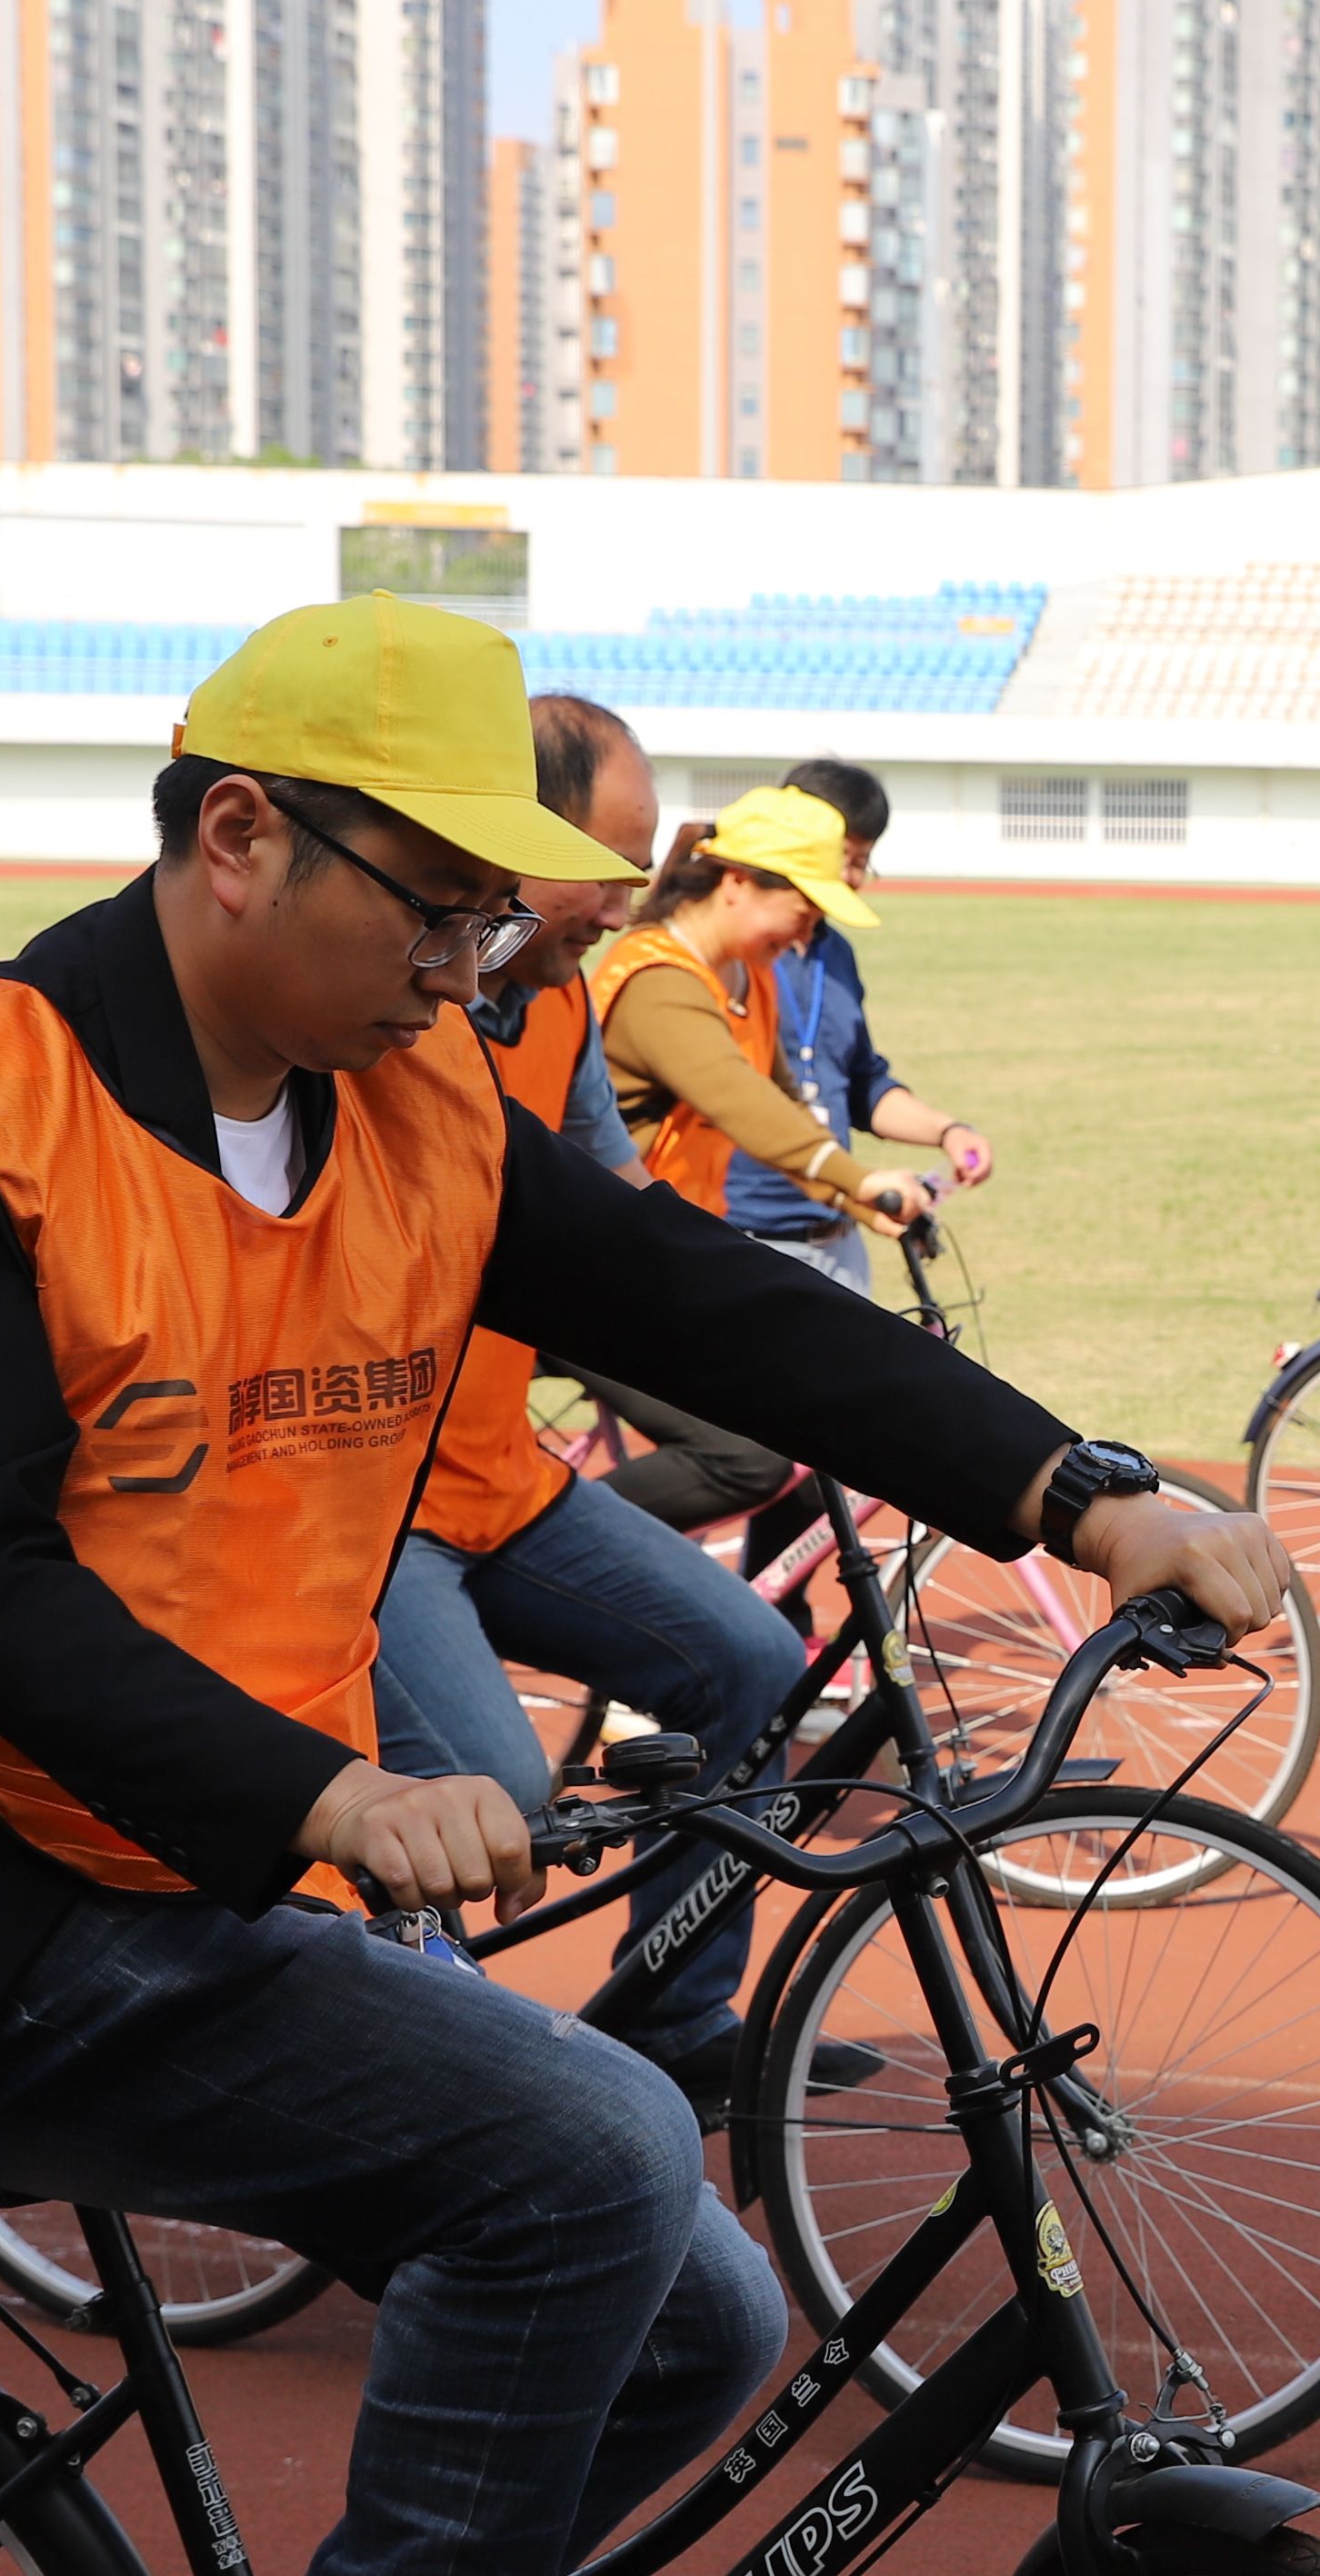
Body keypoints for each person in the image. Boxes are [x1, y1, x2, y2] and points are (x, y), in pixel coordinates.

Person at [0, 594, 1287, 2576]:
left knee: (696, 2323)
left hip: (191, 1876)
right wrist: (328, 1789)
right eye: (433, 904)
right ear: (234, 838)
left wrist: (1073, 1485)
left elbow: (718, 1311)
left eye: (493, 914)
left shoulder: (409, 1108)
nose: (473, 960)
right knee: (589, 2159)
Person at [364, 690, 805, 2099]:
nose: (627, 898)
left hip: (500, 1483)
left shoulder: (556, 999)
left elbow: (633, 1237)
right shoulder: (385, 1008)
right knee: (498, 1797)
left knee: (748, 1663)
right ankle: (416, 2104)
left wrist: (816, 1345)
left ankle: (673, 2030)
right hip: (367, 1513)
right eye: (604, 863)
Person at [711, 754, 999, 1296]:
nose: (853, 880)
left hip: (840, 1237)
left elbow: (861, 1083)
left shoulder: (836, 955)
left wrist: (947, 1131)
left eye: (863, 862)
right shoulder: (722, 958)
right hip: (736, 1234)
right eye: (844, 858)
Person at [597, 786, 938, 1243]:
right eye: (804, 913)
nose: (807, 933)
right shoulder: (657, 977)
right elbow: (738, 1098)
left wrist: (853, 1202)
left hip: (676, 1231)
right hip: (613, 1235)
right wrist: (856, 1178)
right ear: (737, 882)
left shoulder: (749, 975)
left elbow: (783, 1099)